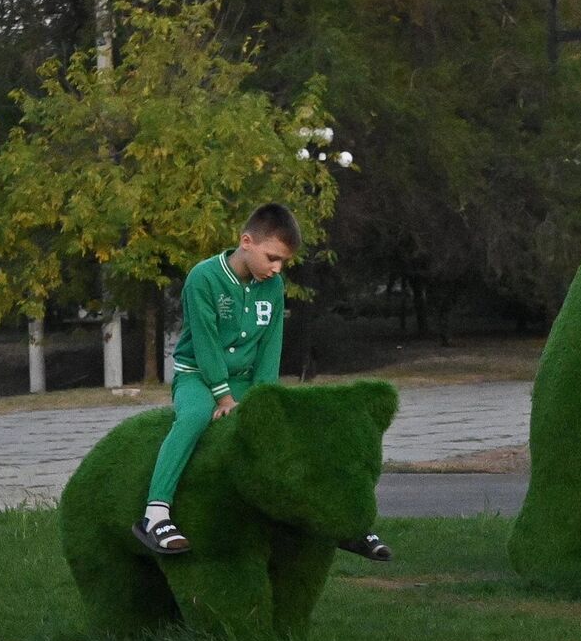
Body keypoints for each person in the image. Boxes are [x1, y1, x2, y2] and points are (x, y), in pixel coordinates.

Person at [133, 202, 392, 564]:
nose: (277, 268)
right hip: (198, 377)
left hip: (247, 380)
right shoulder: (203, 278)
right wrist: (222, 397)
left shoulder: (273, 286)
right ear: (247, 242)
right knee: (193, 418)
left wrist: (265, 399)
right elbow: (205, 345)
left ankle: (344, 522)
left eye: (283, 262)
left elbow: (270, 348)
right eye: (272, 258)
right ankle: (155, 513)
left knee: (297, 426)